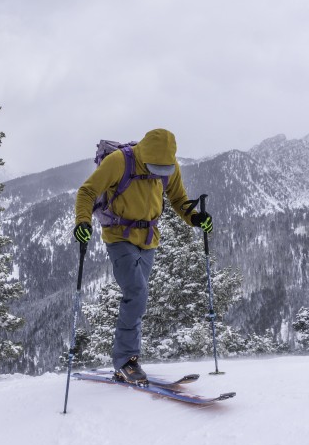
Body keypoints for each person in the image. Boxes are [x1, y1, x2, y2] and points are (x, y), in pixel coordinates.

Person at [73, 128, 213, 384]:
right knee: (137, 292)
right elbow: (87, 192)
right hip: (118, 237)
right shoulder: (118, 161)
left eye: (163, 170)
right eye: (153, 168)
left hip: (149, 239)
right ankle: (126, 360)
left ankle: (128, 360)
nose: (158, 174)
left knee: (137, 297)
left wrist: (195, 218)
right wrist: (83, 222)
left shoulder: (169, 166)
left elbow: (178, 199)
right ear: (143, 156)